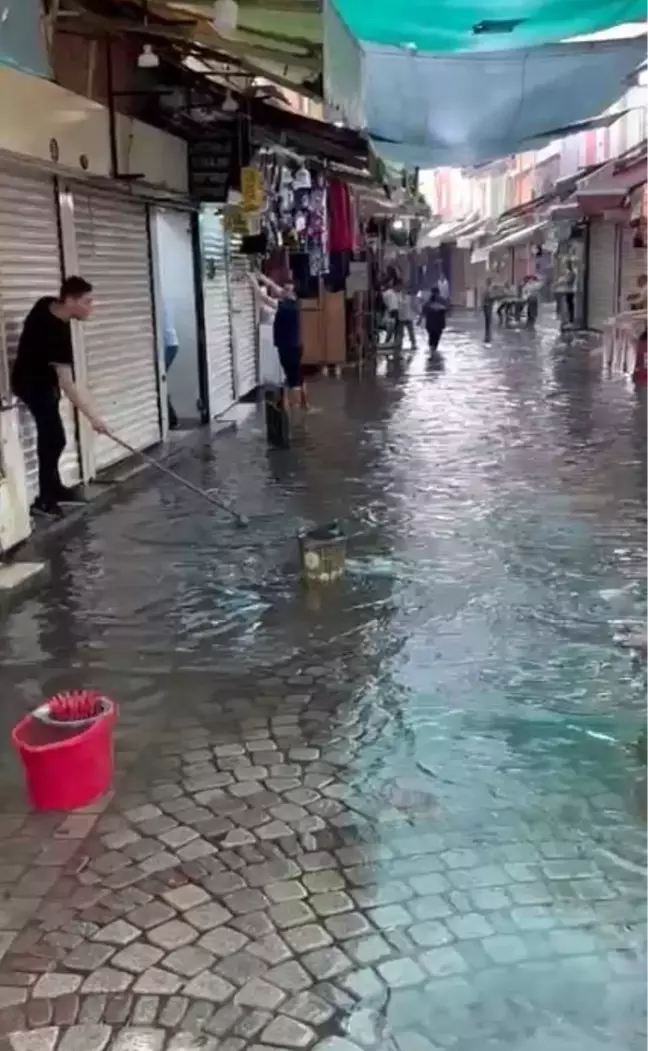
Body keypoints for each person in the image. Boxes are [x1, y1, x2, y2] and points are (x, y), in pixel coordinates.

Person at [11, 276, 107, 518]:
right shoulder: (58, 336)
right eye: (87, 302)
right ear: (71, 300)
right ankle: (44, 500)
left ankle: (54, 488)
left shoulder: (46, 304)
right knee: (53, 437)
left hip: (43, 383)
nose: (90, 307)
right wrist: (94, 418)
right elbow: (68, 384)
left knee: (54, 438)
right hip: (30, 384)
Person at [251, 272, 308, 410]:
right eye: (285, 288)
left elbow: (263, 297)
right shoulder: (294, 301)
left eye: (287, 289)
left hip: (288, 346)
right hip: (295, 345)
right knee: (298, 377)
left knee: (293, 380)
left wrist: (252, 281)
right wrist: (261, 276)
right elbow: (275, 287)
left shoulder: (286, 306)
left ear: (292, 292)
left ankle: (295, 409)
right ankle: (305, 405)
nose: (283, 290)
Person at [163, 305, 180, 430]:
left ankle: (172, 419)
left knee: (161, 382)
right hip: (170, 344)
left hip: (167, 344)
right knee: (161, 382)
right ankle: (171, 419)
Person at [421, 286, 447, 353]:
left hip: (432, 324)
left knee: (432, 338)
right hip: (437, 324)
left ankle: (432, 351)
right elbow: (447, 310)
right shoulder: (441, 301)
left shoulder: (429, 301)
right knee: (435, 338)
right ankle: (433, 351)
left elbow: (423, 311)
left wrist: (419, 320)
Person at [482, 277, 495, 343]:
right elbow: (490, 297)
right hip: (488, 307)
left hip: (486, 306)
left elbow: (484, 298)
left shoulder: (486, 289)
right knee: (488, 322)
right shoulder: (489, 289)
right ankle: (488, 337)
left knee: (487, 323)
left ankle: (487, 337)